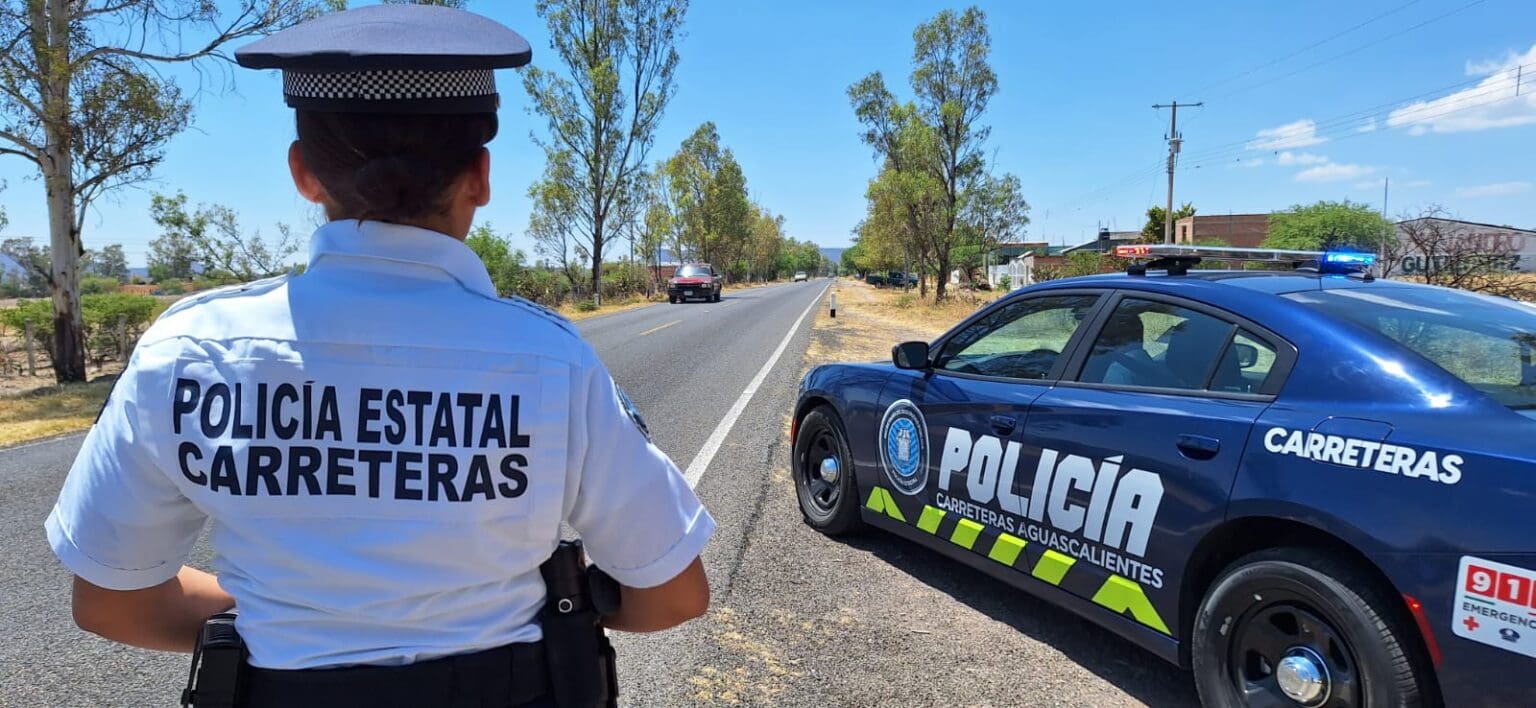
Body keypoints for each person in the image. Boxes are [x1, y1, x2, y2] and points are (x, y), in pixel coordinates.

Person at [42, 5, 714, 706]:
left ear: (303, 172)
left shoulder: (183, 353)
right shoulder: (552, 361)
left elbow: (112, 602)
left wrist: (292, 623)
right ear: (479, 177)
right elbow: (672, 593)